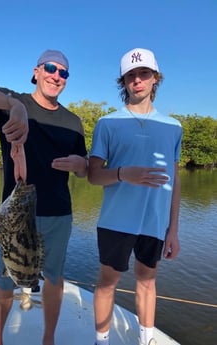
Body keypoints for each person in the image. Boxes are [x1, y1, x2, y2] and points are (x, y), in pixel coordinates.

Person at [0, 49, 88, 345]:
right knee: (4, 282)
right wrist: (12, 105)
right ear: (37, 71)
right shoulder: (14, 102)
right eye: (51, 68)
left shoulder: (73, 122)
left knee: (54, 280)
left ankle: (48, 339)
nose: (57, 76)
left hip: (58, 215)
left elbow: (85, 169)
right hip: (15, 218)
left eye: (63, 73)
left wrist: (81, 166)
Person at [88, 48, 182, 345]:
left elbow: (174, 180)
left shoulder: (174, 127)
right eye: (131, 75)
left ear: (156, 79)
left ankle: (146, 339)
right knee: (106, 284)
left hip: (154, 223)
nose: (137, 80)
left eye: (144, 74)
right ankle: (101, 340)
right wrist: (122, 173)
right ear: (123, 82)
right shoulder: (107, 123)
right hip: (116, 222)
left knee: (147, 282)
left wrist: (174, 230)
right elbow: (92, 175)